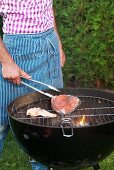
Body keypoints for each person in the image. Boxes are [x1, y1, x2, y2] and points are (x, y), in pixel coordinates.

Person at [0, 0, 66, 170]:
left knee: (47, 124)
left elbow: (47, 5)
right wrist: (6, 61)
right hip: (16, 51)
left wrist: (57, 41)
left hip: (49, 42)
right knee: (1, 123)